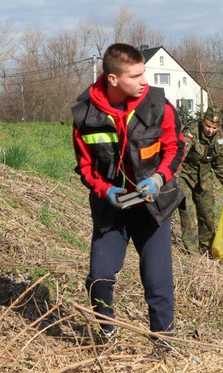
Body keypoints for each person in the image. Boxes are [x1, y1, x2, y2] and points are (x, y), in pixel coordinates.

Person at [71, 43, 184, 340]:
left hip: (152, 205)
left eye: (143, 72)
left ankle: (164, 345)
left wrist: (159, 178)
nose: (144, 80)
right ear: (113, 79)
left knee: (157, 282)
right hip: (112, 207)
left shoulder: (158, 105)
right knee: (99, 278)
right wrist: (104, 190)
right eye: (134, 76)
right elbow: (85, 166)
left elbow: (176, 147)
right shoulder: (85, 114)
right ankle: (107, 332)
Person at [178, 107, 223, 256]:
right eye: (208, 126)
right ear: (203, 122)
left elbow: (220, 166)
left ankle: (206, 249)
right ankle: (192, 252)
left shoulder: (221, 141)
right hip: (184, 176)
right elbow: (179, 155)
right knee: (188, 213)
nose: (210, 130)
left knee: (207, 213)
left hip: (204, 178)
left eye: (214, 127)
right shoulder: (192, 132)